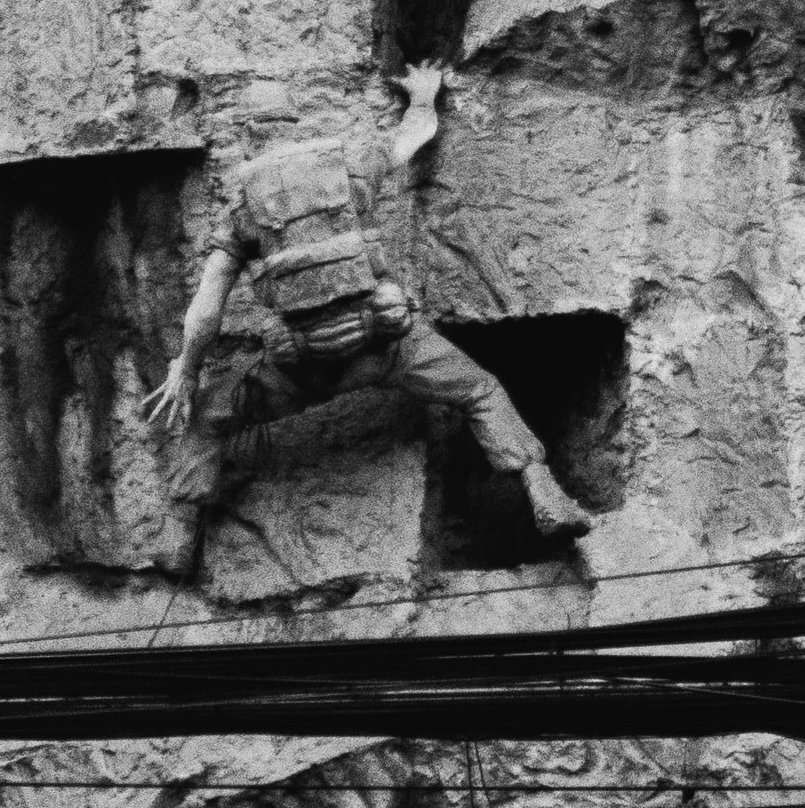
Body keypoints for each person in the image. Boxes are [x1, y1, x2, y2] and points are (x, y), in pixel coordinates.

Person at [139, 66, 591, 543]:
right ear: (294, 122)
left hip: (305, 364)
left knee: (212, 412)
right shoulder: (349, 169)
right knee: (480, 391)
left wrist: (187, 369)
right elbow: (415, 135)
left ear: (250, 134)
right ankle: (542, 489)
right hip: (385, 344)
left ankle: (180, 533)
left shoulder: (242, 211)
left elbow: (206, 309)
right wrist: (422, 95)